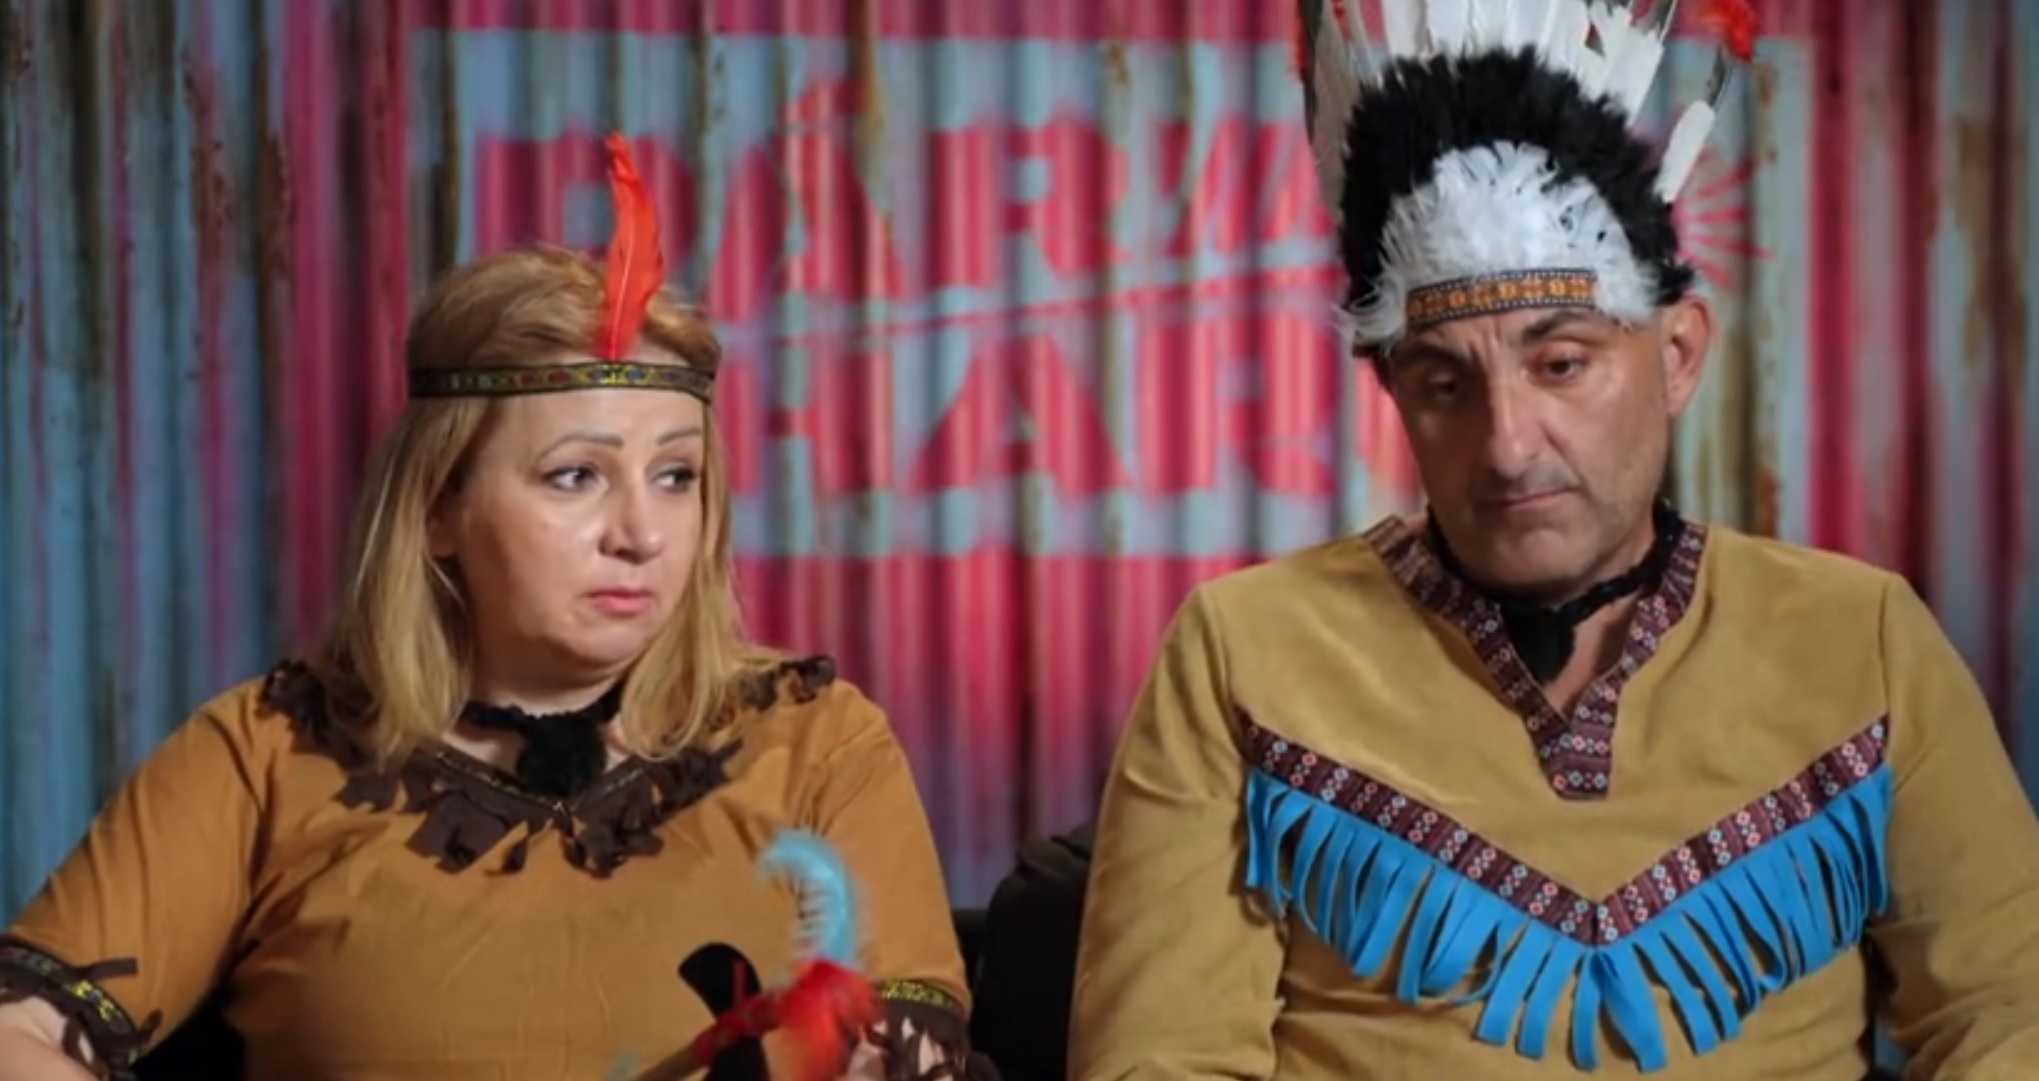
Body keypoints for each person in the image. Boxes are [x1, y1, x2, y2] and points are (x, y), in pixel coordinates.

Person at [1068, 3, 2039, 1080]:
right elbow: (1158, 1060)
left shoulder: (1859, 640)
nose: (1507, 444)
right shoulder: (1242, 651)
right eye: (1444, 383)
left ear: (1677, 354)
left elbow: (2009, 1014)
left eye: (1561, 363)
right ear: (1393, 394)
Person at [0, 136, 991, 1081]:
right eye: (575, 476)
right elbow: (18, 1030)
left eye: (676, 476)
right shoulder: (264, 754)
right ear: (439, 506)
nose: (641, 533)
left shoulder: (819, 743)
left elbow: (911, 1044)